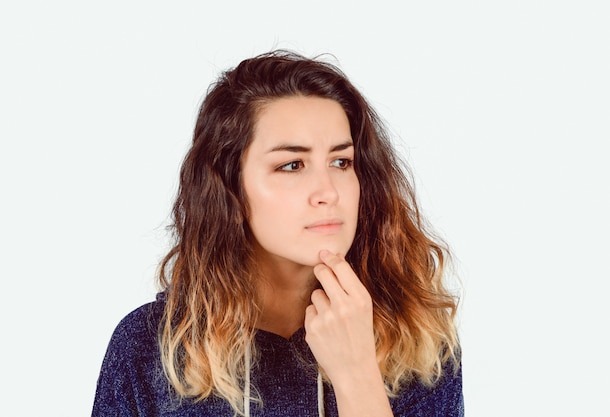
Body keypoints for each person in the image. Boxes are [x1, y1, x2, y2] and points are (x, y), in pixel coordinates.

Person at [92, 50, 463, 417]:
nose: (328, 192)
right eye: (292, 165)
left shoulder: (420, 339)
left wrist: (356, 377)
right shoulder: (149, 349)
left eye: (341, 162)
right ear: (229, 187)